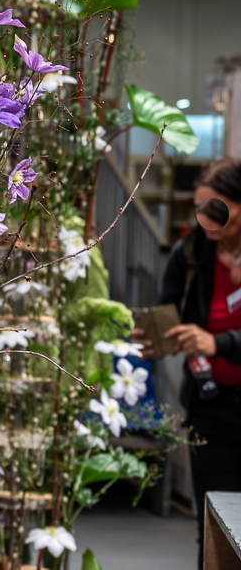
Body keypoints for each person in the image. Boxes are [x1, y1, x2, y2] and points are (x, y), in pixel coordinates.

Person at [137, 158, 241, 544]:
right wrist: (155, 343)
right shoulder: (192, 253)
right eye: (201, 209)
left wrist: (219, 343)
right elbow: (169, 311)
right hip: (211, 406)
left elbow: (216, 339)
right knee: (215, 530)